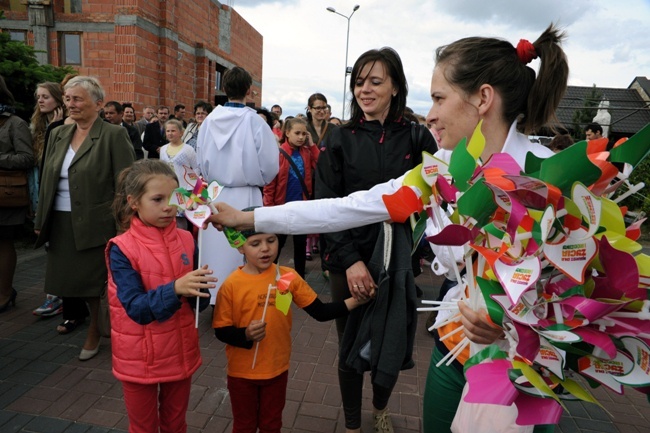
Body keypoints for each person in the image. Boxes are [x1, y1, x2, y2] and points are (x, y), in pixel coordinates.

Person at [208, 24, 569, 433]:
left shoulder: (552, 181)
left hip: (518, 374)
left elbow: (584, 298)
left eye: (438, 98)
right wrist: (249, 218)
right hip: (452, 348)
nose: (429, 114)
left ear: (483, 98)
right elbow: (343, 208)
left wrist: (509, 322)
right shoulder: (442, 171)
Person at [316, 47, 438, 433]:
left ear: (396, 86)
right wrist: (349, 259)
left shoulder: (418, 137)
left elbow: (437, 199)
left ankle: (381, 407)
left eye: (375, 81)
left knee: (392, 341)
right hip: (346, 259)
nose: (363, 90)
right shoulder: (340, 139)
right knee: (350, 345)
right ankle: (353, 424)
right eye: (358, 82)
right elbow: (325, 202)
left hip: (397, 261)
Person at [213, 222, 364, 433]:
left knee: (271, 424)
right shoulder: (231, 284)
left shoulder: (286, 277)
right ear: (240, 247)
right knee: (244, 425)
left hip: (277, 369)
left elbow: (320, 312)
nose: (265, 248)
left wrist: (357, 301)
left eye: (271, 240)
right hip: (241, 373)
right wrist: (245, 334)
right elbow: (221, 330)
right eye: (255, 243)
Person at [107, 159, 215, 433]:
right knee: (143, 427)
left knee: (176, 424)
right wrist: (177, 288)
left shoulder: (188, 239)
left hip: (180, 351)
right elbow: (136, 309)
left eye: (174, 198)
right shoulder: (122, 249)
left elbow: (196, 305)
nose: (168, 206)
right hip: (140, 358)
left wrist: (200, 292)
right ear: (133, 202)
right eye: (157, 199)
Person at [34, 76, 136, 360]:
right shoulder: (58, 134)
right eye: (67, 99)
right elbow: (46, 181)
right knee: (69, 282)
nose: (71, 104)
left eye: (78, 99)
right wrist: (41, 220)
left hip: (97, 225)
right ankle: (91, 323)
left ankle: (96, 330)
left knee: (95, 286)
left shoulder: (113, 135)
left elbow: (125, 184)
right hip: (61, 221)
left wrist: (123, 229)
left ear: (98, 103)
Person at [196, 66, 279, 305]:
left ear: (224, 89)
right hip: (247, 194)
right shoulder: (255, 122)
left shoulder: (209, 121)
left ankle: (216, 299)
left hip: (216, 194)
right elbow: (270, 164)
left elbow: (200, 160)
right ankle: (244, 301)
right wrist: (260, 180)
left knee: (216, 254)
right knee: (246, 251)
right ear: (249, 90)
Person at [263, 117, 320, 278]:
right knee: (277, 245)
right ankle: (269, 276)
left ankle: (300, 278)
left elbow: (321, 165)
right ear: (287, 133)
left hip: (301, 207)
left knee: (300, 245)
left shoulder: (307, 152)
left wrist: (312, 145)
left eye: (304, 133)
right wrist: (269, 209)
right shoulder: (278, 153)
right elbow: (270, 185)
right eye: (297, 133)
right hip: (281, 208)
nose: (301, 137)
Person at [29, 81, 66, 318]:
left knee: (56, 247)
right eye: (38, 97)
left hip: (53, 193)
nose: (41, 100)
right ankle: (57, 295)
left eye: (46, 96)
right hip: (37, 190)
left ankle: (56, 296)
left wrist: (55, 128)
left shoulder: (61, 127)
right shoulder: (34, 126)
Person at [0, 75, 34, 314]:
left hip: (6, 193)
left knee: (3, 242)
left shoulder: (14, 123)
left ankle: (4, 292)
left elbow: (27, 157)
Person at [160, 119, 201, 228]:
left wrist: (191, 186)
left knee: (181, 219)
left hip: (183, 189)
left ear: (181, 133)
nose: (170, 133)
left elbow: (196, 168)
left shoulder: (188, 149)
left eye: (173, 131)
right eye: (168, 131)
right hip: (167, 189)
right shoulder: (163, 149)